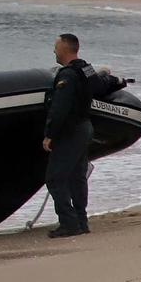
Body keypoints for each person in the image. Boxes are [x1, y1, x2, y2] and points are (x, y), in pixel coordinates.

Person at [44, 33, 97, 238]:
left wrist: (49, 134)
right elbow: (101, 85)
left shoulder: (67, 75)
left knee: (55, 177)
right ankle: (81, 222)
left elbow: (60, 108)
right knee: (77, 176)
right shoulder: (87, 68)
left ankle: (68, 222)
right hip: (85, 128)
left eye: (56, 47)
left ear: (65, 49)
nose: (54, 50)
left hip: (71, 131)